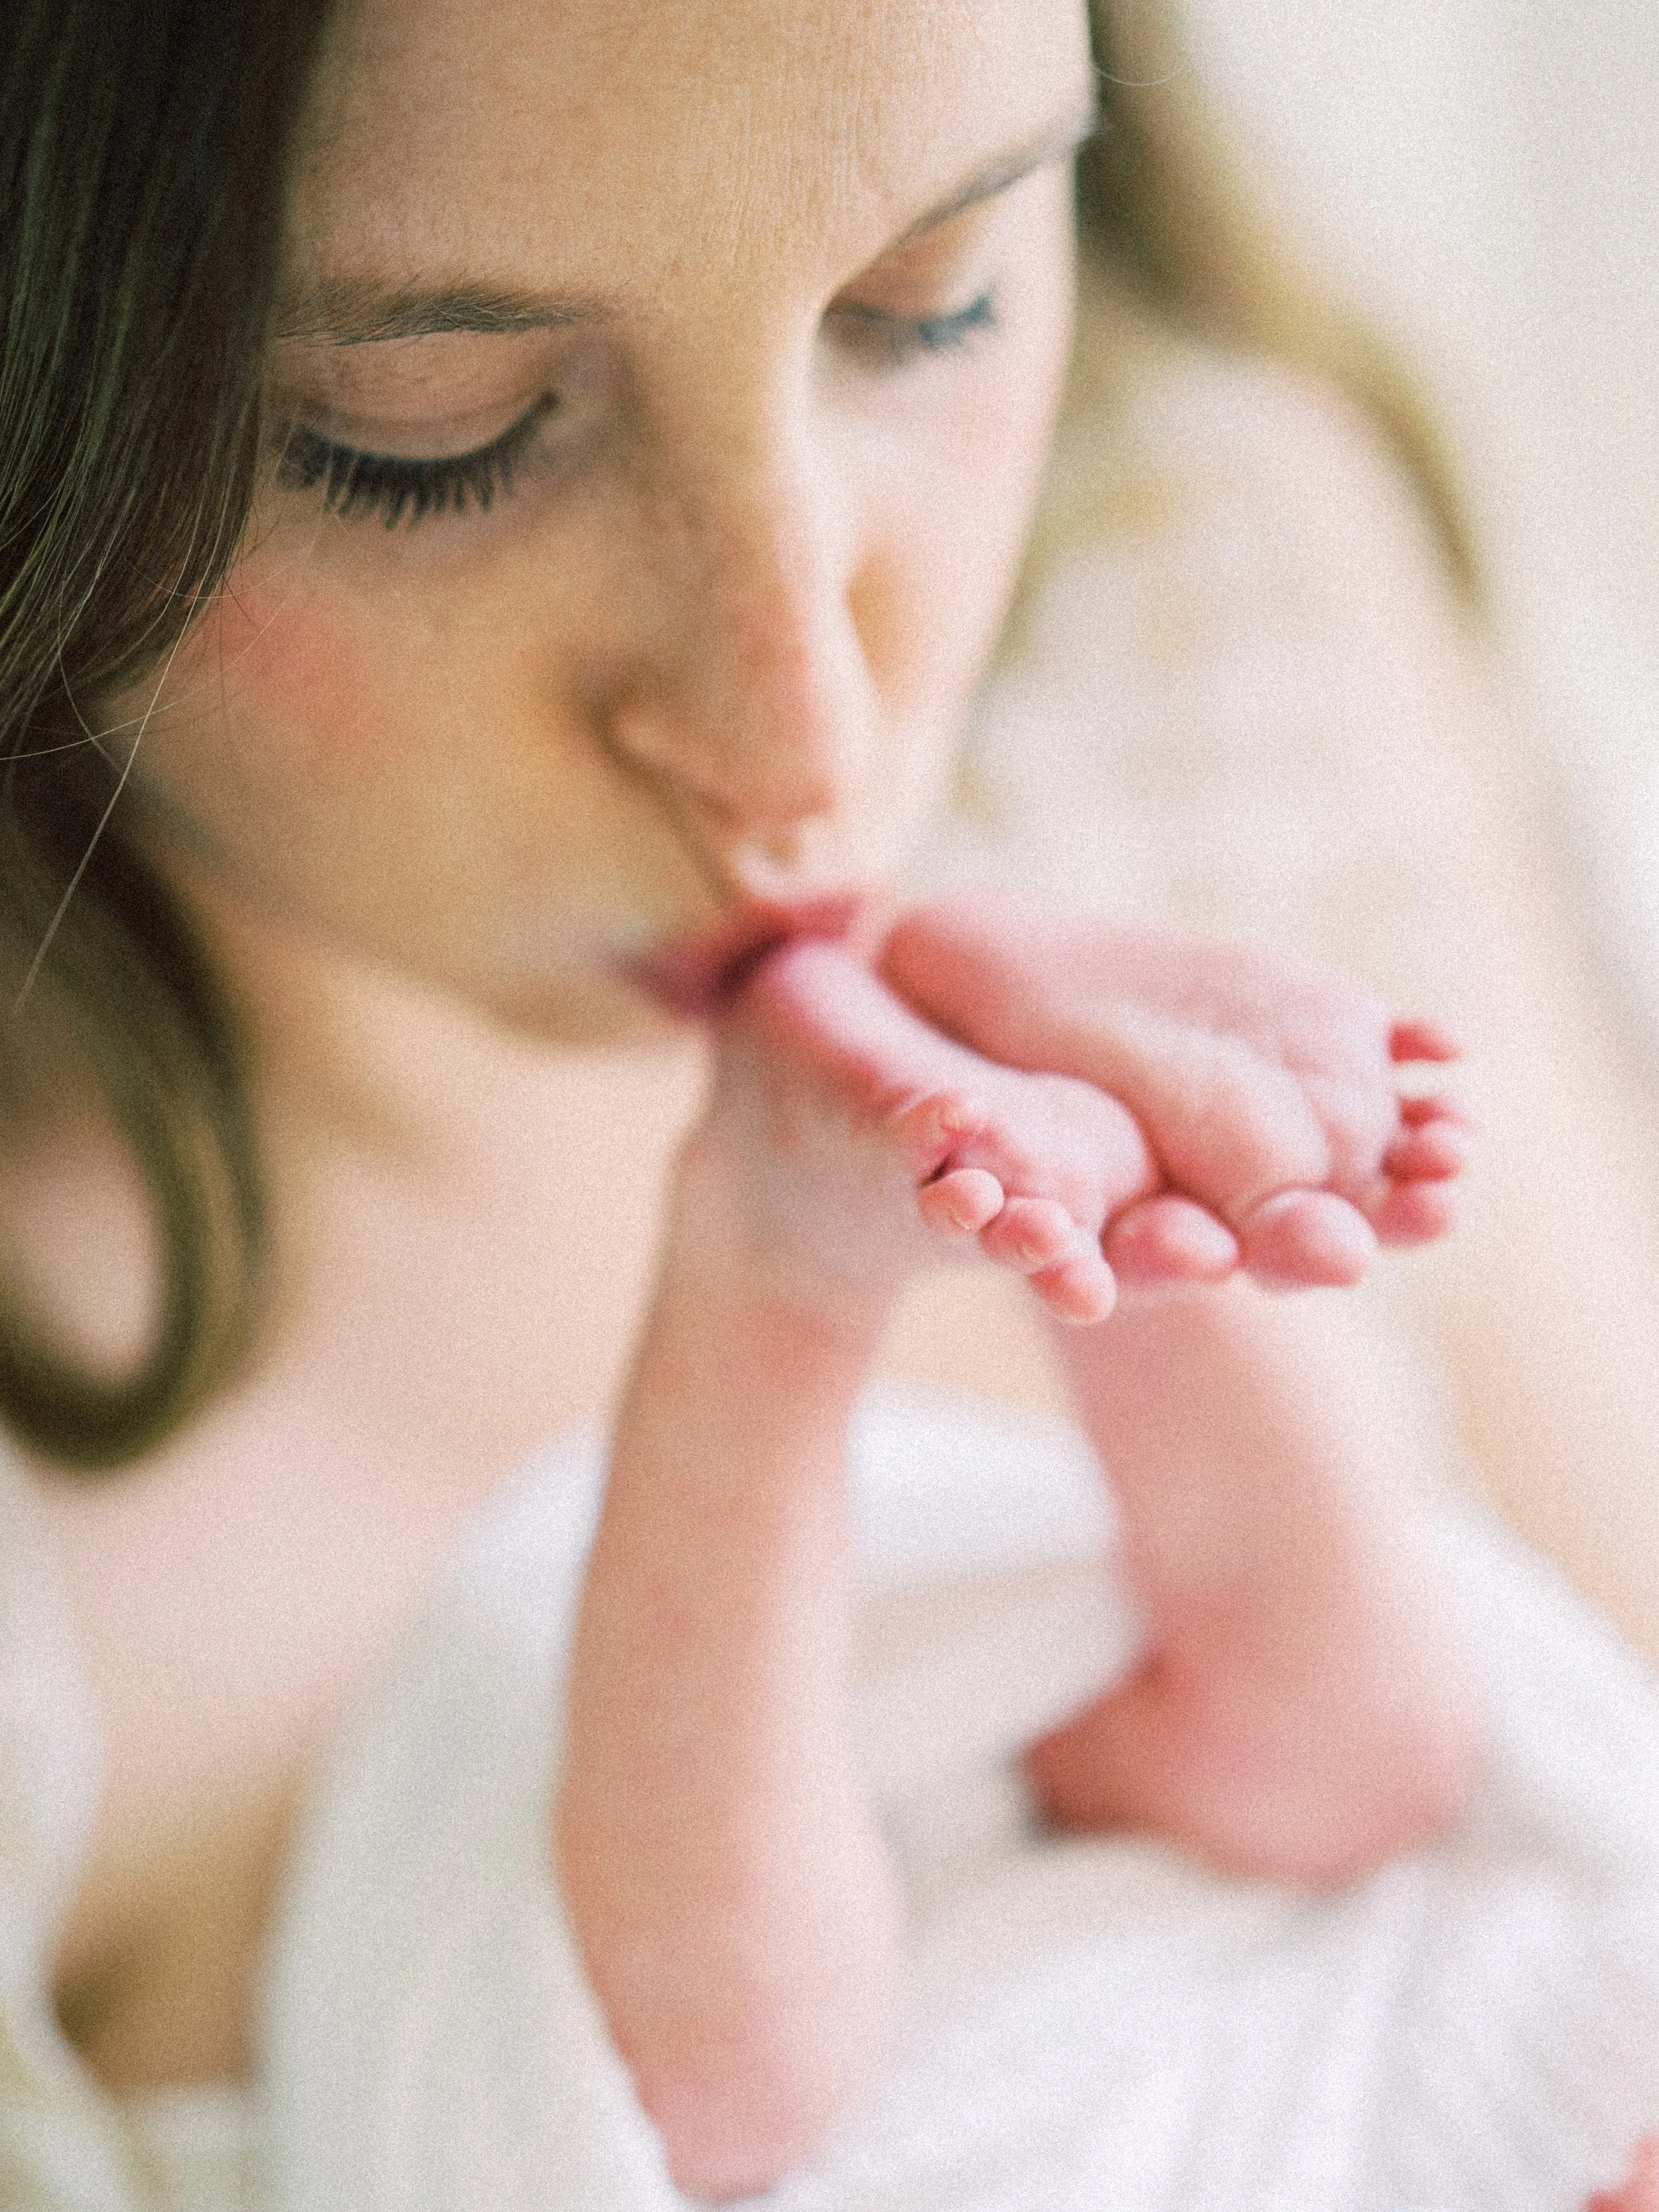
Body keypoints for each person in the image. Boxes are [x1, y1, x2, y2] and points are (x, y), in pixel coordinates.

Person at [1, 1, 1652, 2207]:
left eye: (932, 297)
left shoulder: (1186, 598)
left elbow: (1515, 1762)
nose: (809, 731)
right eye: (425, 438)